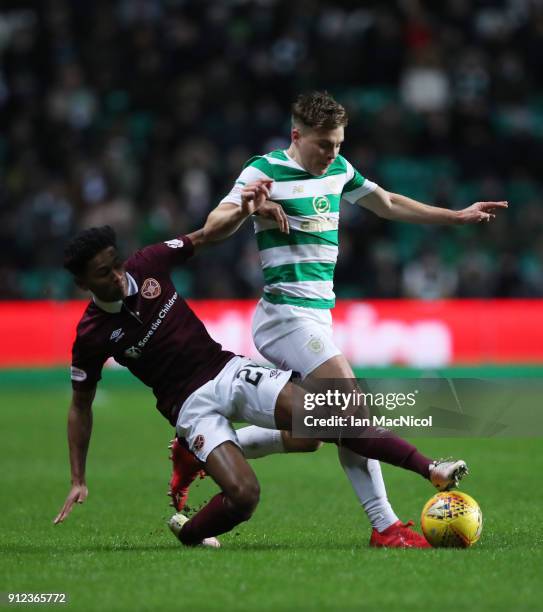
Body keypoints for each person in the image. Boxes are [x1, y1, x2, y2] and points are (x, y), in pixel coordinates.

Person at [171, 91, 507, 548]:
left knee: (312, 430)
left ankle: (201, 450)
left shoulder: (338, 172)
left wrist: (456, 217)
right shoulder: (263, 171)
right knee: (352, 409)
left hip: (317, 319)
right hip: (284, 317)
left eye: (339, 144)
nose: (332, 154)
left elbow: (386, 201)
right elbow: (214, 224)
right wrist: (248, 205)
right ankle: (385, 526)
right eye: (323, 145)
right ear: (297, 135)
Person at [53, 223, 468, 548]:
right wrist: (77, 478)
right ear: (83, 283)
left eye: (117, 263)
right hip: (188, 408)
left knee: (328, 418)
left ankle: (430, 469)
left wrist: (248, 203)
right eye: (104, 274)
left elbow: (207, 235)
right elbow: (80, 406)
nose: (118, 275)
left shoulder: (148, 265)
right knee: (244, 495)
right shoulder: (91, 335)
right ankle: (190, 532)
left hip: (226, 371)